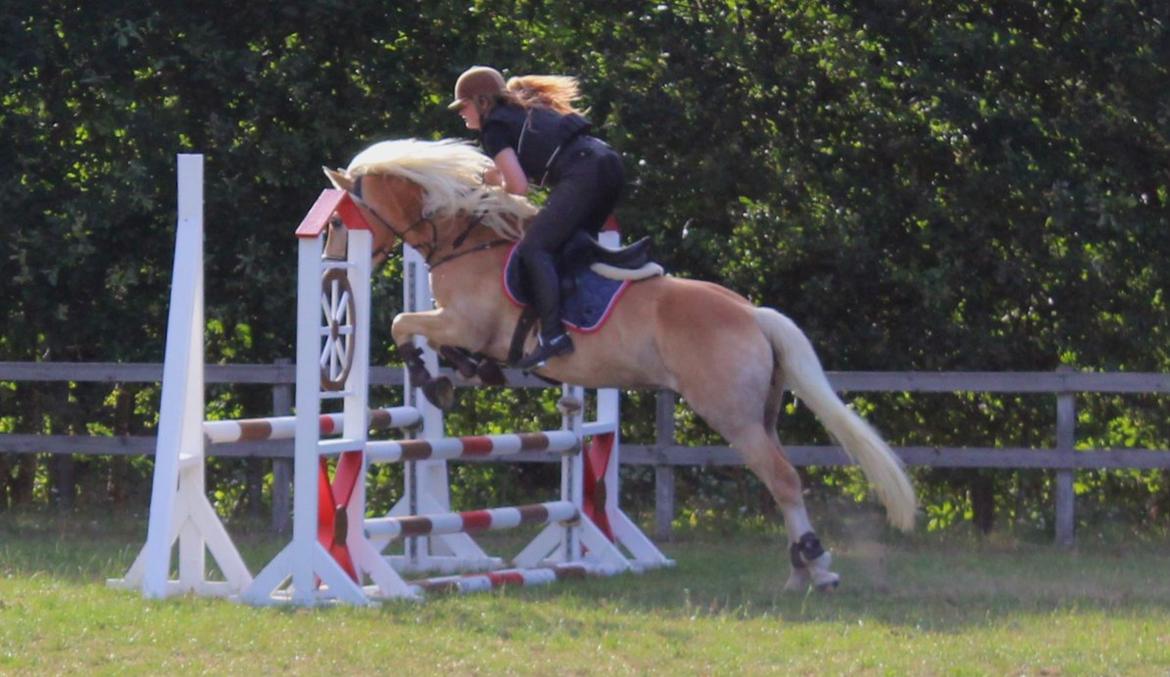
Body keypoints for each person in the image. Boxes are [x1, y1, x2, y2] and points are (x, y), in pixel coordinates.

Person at [448, 65, 625, 369]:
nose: (461, 113)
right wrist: (494, 177)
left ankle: (554, 336)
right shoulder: (518, 112)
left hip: (583, 172)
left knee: (533, 249)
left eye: (463, 106)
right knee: (569, 247)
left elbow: (517, 187)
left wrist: (494, 183)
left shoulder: (494, 128)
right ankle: (584, 320)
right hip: (607, 164)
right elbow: (519, 173)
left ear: (482, 102)